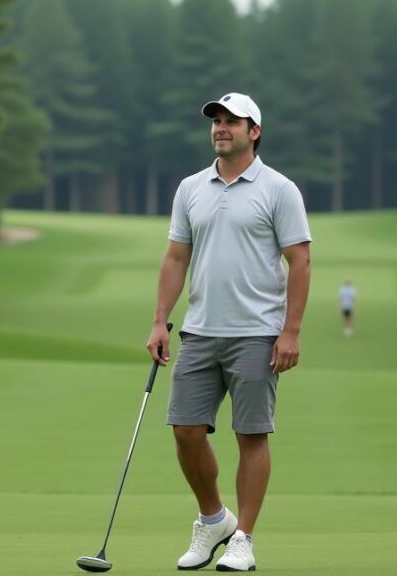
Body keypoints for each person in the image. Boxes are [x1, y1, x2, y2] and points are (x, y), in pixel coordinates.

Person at [146, 91, 312, 572]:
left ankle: (244, 538)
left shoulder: (279, 189)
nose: (220, 128)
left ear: (253, 131)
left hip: (257, 334)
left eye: (232, 122)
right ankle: (214, 518)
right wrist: (160, 319)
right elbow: (176, 257)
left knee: (251, 435)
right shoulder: (190, 188)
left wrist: (291, 331)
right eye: (216, 121)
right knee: (185, 431)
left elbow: (299, 259)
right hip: (199, 331)